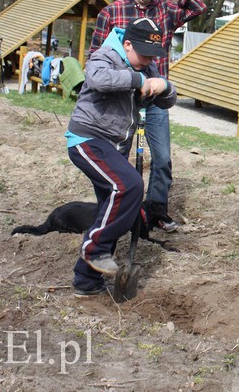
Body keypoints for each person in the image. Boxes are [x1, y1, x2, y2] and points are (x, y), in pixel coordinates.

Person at [91, 0, 206, 231]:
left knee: (162, 158)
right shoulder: (112, 12)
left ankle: (155, 211)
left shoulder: (165, 10)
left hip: (155, 98)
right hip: (122, 98)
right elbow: (95, 55)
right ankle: (113, 213)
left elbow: (198, 7)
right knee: (118, 158)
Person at [67, 17, 178, 297]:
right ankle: (94, 248)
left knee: (115, 209)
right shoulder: (105, 55)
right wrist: (139, 79)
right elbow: (97, 79)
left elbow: (166, 98)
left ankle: (86, 281)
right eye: (143, 54)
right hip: (89, 139)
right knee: (130, 187)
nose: (149, 60)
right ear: (126, 44)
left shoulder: (145, 64)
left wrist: (163, 87)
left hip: (115, 147)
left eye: (154, 55)